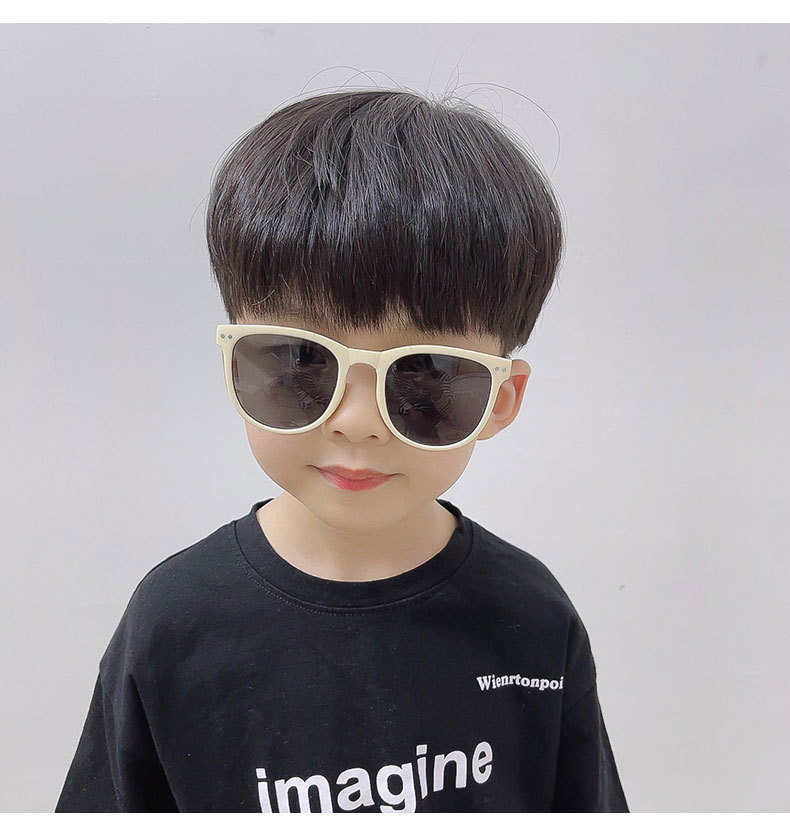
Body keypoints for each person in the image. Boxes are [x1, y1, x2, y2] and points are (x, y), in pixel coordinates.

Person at [55, 87, 629, 813]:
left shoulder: (530, 618)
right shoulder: (174, 622)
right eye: (301, 360)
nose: (358, 423)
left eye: (425, 374)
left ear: (500, 400)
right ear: (233, 365)